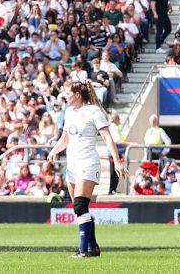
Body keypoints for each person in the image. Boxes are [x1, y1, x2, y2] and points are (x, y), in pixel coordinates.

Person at [58, 77, 111, 258]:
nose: (66, 95)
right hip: (72, 165)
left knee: (80, 206)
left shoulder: (93, 111)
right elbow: (64, 140)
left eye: (68, 93)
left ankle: (83, 250)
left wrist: (118, 161)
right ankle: (93, 247)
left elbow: (107, 137)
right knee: (80, 208)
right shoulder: (69, 112)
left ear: (78, 95)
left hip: (88, 162)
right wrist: (52, 152)